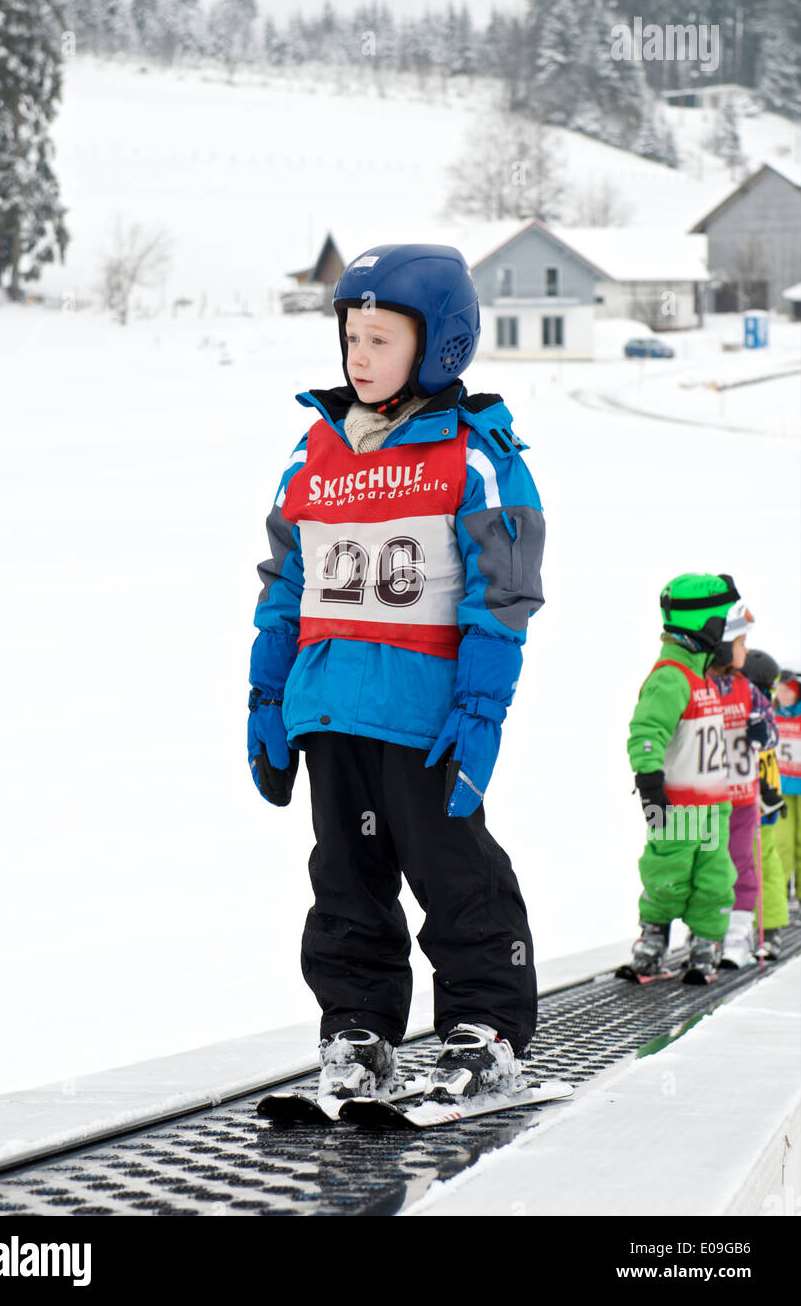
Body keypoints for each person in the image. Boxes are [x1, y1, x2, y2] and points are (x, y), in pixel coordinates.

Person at [248, 243, 546, 1104]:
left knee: (453, 874)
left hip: (423, 714)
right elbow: (285, 588)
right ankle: (358, 1031)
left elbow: (504, 594)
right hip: (329, 708)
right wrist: (266, 696)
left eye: (380, 340)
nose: (359, 356)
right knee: (343, 882)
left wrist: (480, 709)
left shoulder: (474, 453)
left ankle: (484, 1030)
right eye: (351, 337)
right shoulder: (314, 453)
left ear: (438, 345)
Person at [625, 573, 740, 982]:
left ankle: (707, 940)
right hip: (674, 807)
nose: (730, 634)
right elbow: (646, 732)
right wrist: (649, 784)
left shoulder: (703, 676)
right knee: (666, 875)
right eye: (726, 625)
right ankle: (654, 935)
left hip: (713, 809)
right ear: (706, 627)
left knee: (715, 879)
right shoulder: (671, 677)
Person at [705, 608, 778, 968]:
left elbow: (771, 733)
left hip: (740, 799)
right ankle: (706, 930)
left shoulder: (746, 688)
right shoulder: (700, 685)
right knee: (706, 865)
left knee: (740, 864)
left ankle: (736, 933)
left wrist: (763, 733)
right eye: (741, 643)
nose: (745, 652)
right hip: (704, 798)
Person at [742, 648, 789, 959]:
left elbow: (762, 758)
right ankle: (757, 927)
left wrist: (770, 792)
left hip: (757, 806)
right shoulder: (761, 714)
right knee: (760, 866)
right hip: (756, 802)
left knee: (761, 866)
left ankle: (767, 929)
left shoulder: (756, 715)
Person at [772, 664, 801, 914]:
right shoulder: (772, 713)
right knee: (782, 843)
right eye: (780, 690)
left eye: (788, 690)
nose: (783, 695)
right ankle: (778, 894)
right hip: (781, 786)